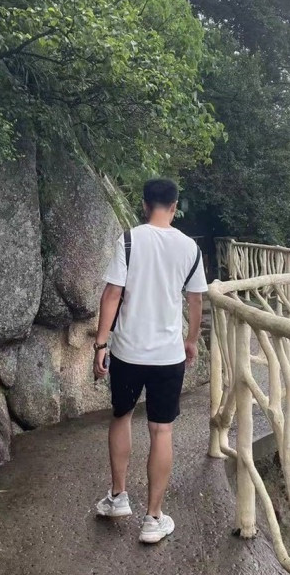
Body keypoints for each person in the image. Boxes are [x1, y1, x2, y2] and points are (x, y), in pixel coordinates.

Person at [92, 178, 207, 544]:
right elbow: (196, 300)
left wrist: (100, 344)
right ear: (174, 207)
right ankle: (153, 518)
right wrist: (191, 341)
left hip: (128, 351)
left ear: (144, 205)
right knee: (161, 430)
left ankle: (118, 497)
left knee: (122, 416)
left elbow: (112, 294)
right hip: (168, 355)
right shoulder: (189, 248)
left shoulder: (129, 239)